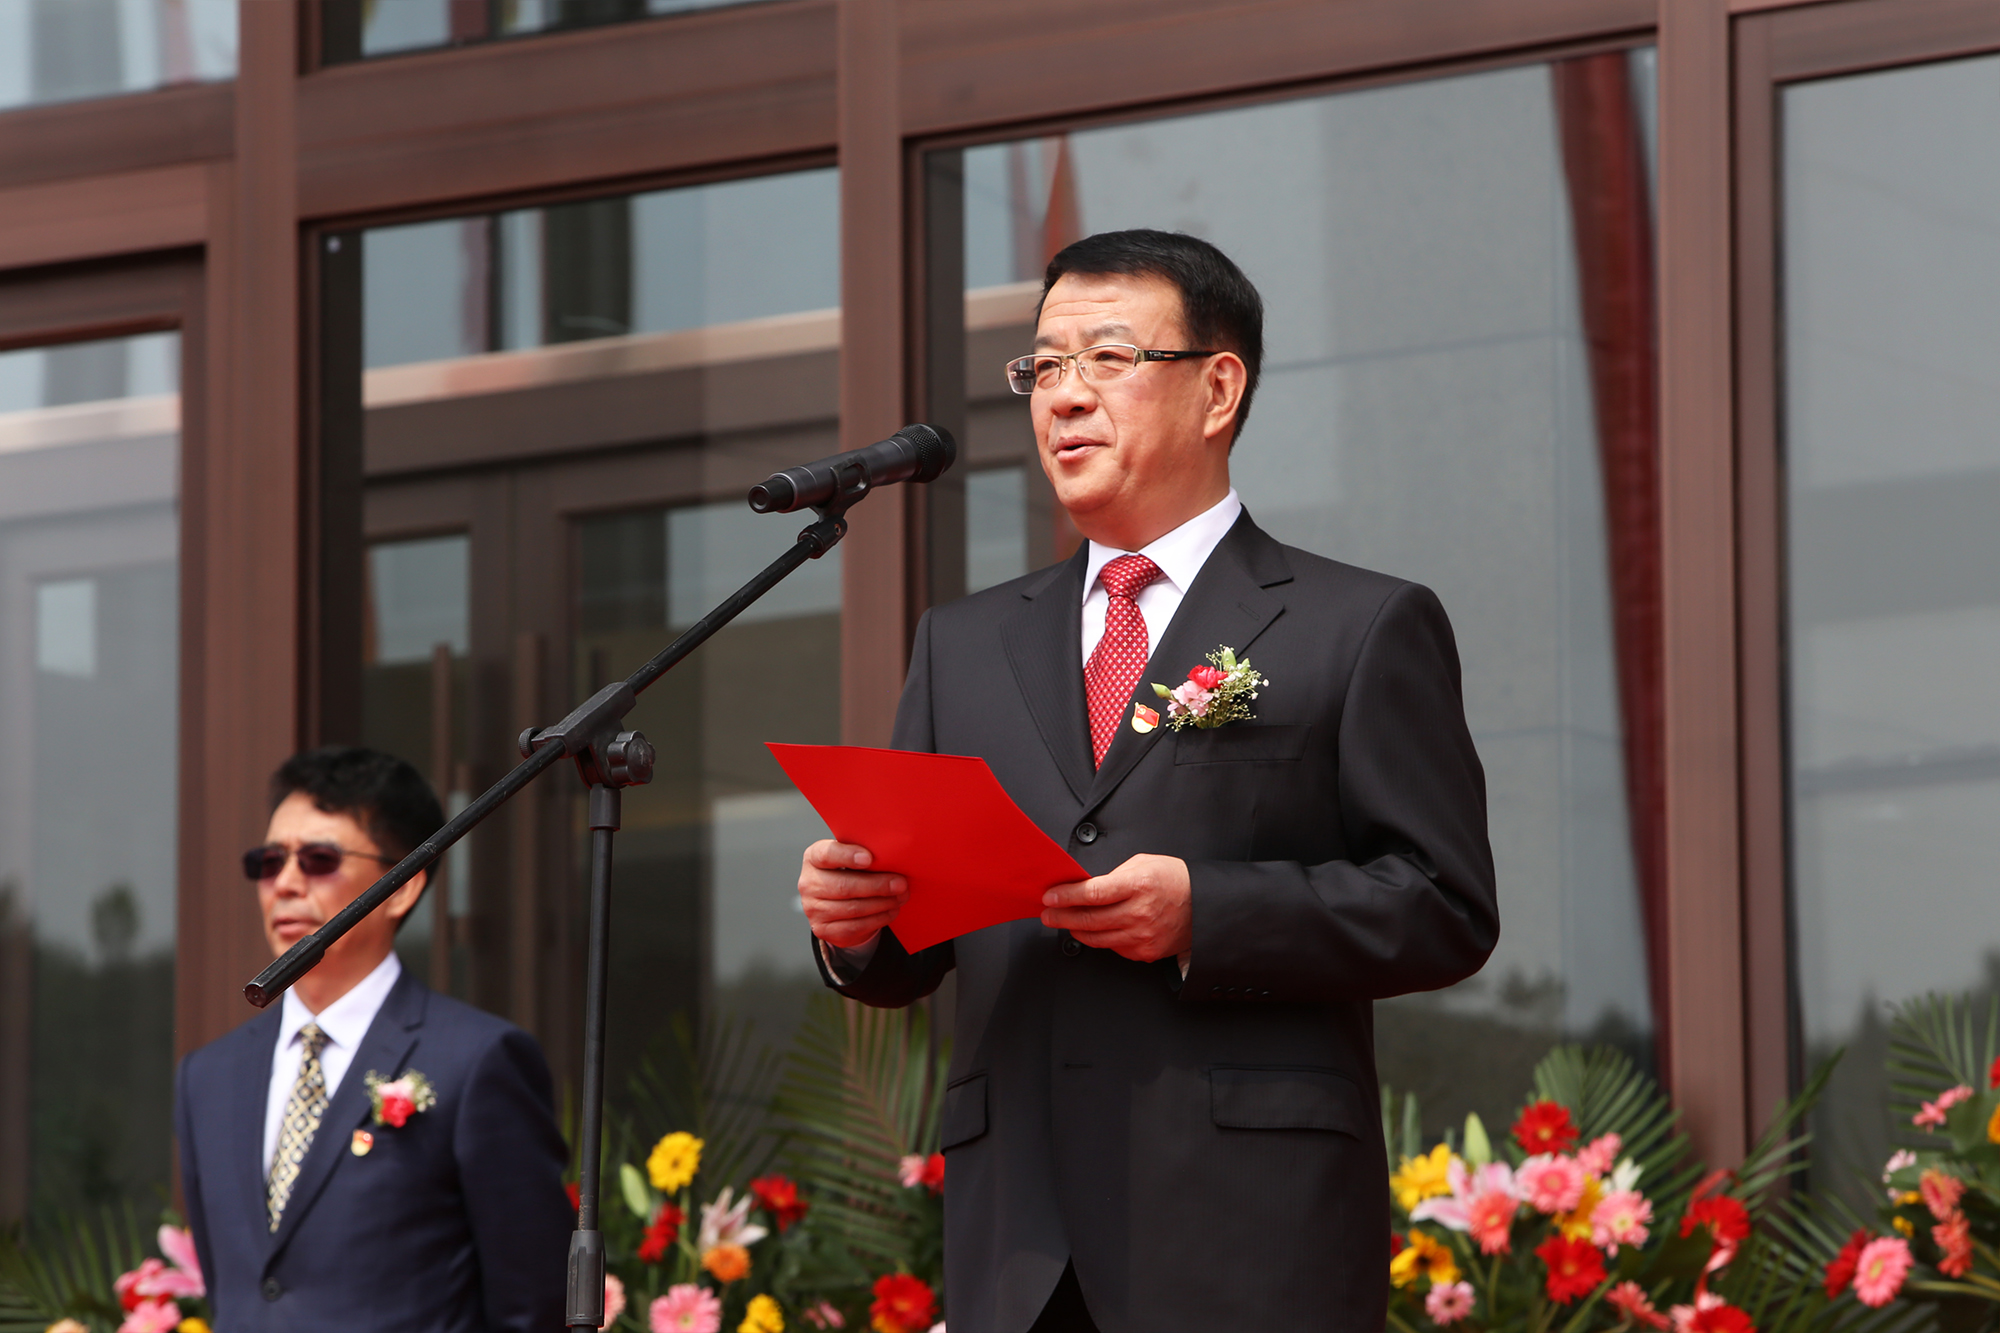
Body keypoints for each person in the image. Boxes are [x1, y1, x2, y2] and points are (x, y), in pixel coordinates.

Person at [798, 230, 1498, 1331]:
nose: (1063, 396)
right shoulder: (962, 644)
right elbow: (910, 950)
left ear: (1218, 389)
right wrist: (857, 926)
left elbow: (1443, 903)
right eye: (1043, 366)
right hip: (1019, 1246)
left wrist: (1205, 912)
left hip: (1248, 1238)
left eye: (1108, 358)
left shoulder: (1356, 624)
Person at [175, 746, 573, 1333]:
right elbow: (237, 1290)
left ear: (402, 888)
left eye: (318, 859)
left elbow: (534, 1306)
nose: (285, 884)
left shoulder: (476, 1061)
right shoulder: (208, 1076)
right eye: (269, 861)